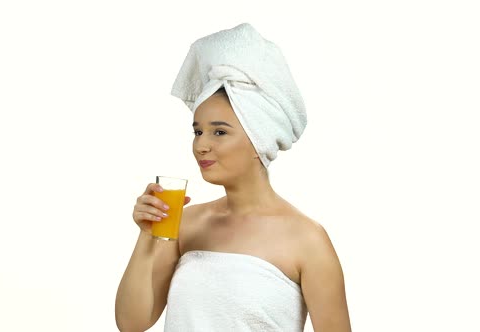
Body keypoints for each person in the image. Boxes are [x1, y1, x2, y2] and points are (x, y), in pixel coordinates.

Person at [115, 23, 351, 332]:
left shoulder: (307, 240)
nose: (202, 144)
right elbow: (131, 323)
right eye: (198, 131)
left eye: (219, 132)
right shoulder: (185, 223)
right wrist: (147, 235)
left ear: (260, 140)